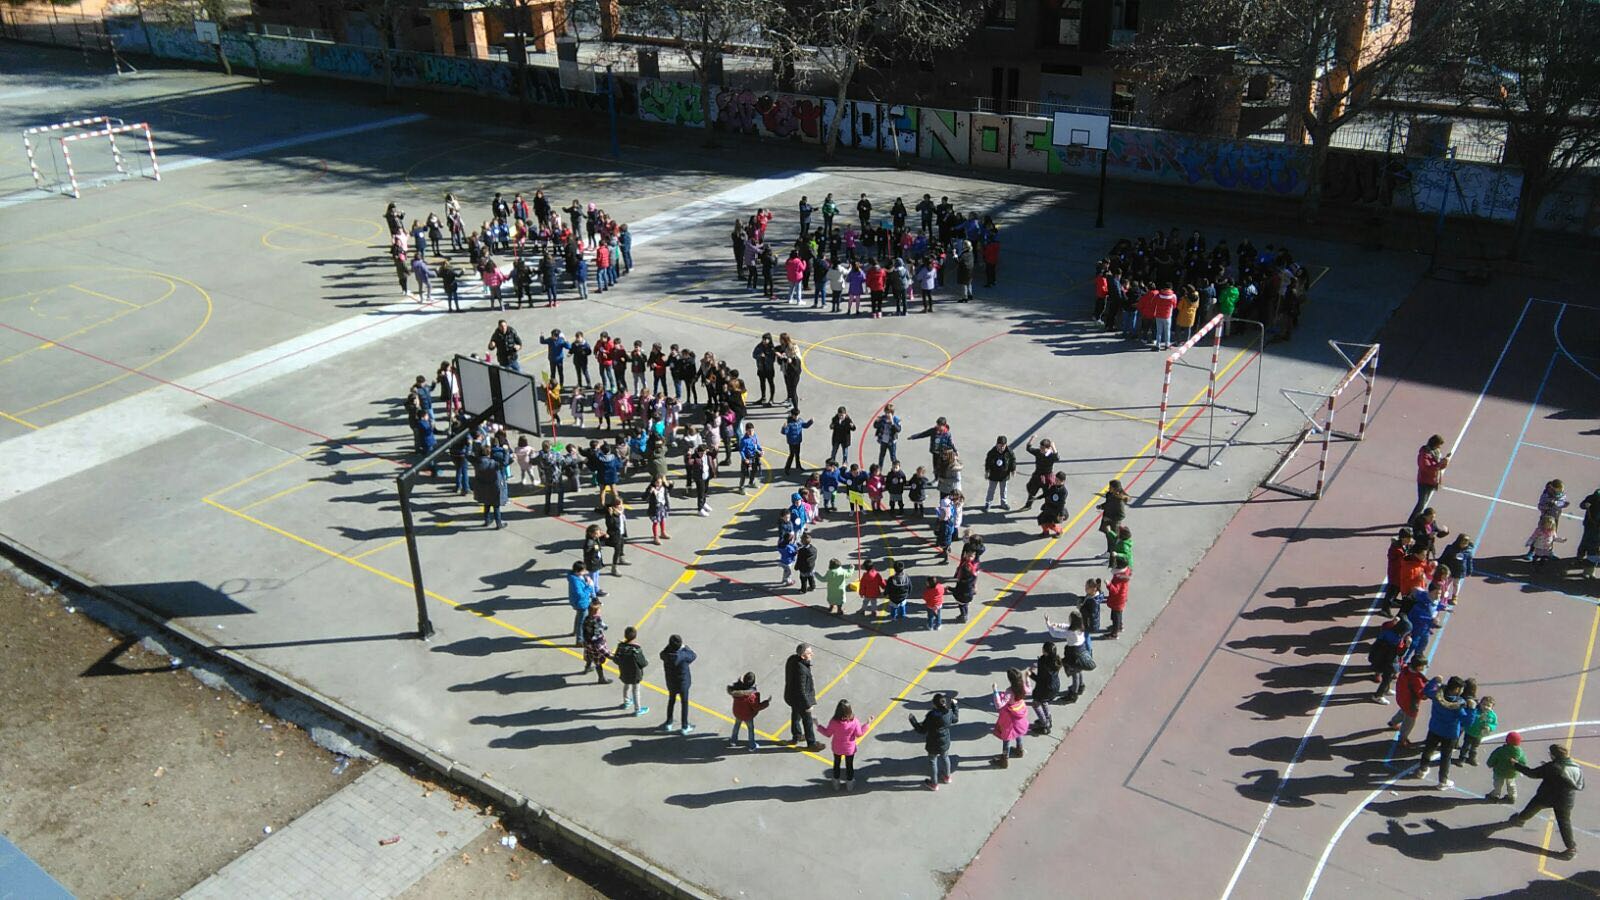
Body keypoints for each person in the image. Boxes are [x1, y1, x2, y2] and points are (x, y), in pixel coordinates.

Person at [1504, 743, 1585, 859]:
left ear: (1553, 755)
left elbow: (1532, 773)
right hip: (1566, 799)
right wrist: (1548, 767)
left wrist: (1516, 765)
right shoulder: (1576, 767)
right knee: (1564, 822)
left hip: (1547, 795)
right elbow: (1577, 783)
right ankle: (1571, 848)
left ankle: (1520, 820)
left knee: (1532, 808)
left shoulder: (1552, 767)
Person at [1416, 675, 1475, 788]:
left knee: (1428, 750)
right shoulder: (1458, 706)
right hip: (1449, 734)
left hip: (1434, 728)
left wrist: (1435, 680)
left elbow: (1427, 690)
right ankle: (1443, 781)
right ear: (1457, 689)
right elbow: (1467, 722)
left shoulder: (1437, 695)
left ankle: (1422, 770)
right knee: (1445, 757)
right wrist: (1472, 709)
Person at [909, 692, 958, 790]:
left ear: (934, 704)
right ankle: (947, 777)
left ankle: (934, 783)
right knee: (945, 757)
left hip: (933, 743)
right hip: (945, 741)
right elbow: (955, 719)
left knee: (932, 761)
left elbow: (922, 730)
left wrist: (913, 721)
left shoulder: (931, 716)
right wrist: (955, 706)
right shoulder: (948, 713)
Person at [818, 700, 871, 790]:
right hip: (849, 748)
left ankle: (836, 783)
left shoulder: (834, 722)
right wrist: (867, 724)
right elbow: (859, 734)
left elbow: (827, 733)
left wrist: (818, 725)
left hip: (837, 747)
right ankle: (849, 784)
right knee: (849, 765)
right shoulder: (854, 721)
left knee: (836, 763)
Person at [784, 644, 825, 751]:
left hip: (792, 696)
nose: (812, 654)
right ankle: (811, 743)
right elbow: (801, 690)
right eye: (809, 653)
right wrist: (808, 705)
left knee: (795, 716)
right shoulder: (801, 670)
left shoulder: (792, 660)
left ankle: (796, 736)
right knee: (807, 721)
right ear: (802, 656)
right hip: (800, 700)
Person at [991, 668, 1031, 768]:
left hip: (1010, 717)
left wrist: (995, 691)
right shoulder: (1022, 688)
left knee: (1007, 737)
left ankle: (1004, 759)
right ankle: (1019, 749)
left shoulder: (1009, 692)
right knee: (1018, 732)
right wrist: (1027, 678)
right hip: (1020, 712)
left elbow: (999, 705)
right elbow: (1029, 689)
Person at [660, 634, 697, 734]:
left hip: (671, 682)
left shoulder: (665, 654)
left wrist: (670, 647)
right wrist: (685, 648)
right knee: (684, 703)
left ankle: (669, 722)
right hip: (682, 683)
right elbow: (693, 655)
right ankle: (684, 726)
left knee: (671, 700)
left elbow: (662, 653)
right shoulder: (683, 655)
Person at [727, 671, 771, 751]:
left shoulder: (737, 690)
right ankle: (752, 745)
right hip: (747, 715)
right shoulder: (752, 696)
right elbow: (756, 707)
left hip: (737, 712)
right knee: (750, 729)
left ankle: (733, 740)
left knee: (737, 725)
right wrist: (766, 702)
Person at [1411, 434, 1451, 521]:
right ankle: (1412, 520)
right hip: (1424, 481)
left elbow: (1439, 467)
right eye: (1439, 445)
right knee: (1421, 503)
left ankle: (1417, 519)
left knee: (1424, 502)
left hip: (1432, 481)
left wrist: (1445, 462)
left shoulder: (1436, 452)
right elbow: (1426, 468)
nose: (1439, 447)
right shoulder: (1424, 454)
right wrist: (1440, 464)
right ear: (1434, 444)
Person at [613, 626, 649, 716]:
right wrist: (646, 662)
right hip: (635, 674)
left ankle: (626, 701)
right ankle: (638, 709)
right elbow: (643, 663)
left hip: (624, 672)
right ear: (635, 637)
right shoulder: (636, 649)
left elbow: (616, 659)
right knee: (636, 690)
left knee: (626, 685)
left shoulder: (620, 646)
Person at [473, 441, 509, 528]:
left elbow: (468, 456)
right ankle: (498, 523)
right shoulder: (493, 463)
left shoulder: (477, 462)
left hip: (482, 486)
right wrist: (506, 452)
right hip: (493, 486)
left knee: (486, 504)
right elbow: (505, 463)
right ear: (489, 453)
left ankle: (487, 521)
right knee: (496, 506)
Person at [1030, 642, 1062, 735]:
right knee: (1044, 701)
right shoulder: (1056, 660)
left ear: (1045, 652)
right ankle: (1048, 718)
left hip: (1046, 688)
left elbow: (1040, 680)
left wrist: (1030, 674)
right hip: (1054, 686)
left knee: (1036, 704)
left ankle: (1044, 725)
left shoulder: (1044, 663)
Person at [1486, 732, 1526, 804]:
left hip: (1499, 771)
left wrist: (1490, 764)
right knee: (1511, 784)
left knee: (1498, 784)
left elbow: (1493, 758)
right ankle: (1512, 797)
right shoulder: (1520, 752)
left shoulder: (1500, 750)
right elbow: (1523, 763)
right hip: (1512, 773)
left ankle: (1495, 795)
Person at [1458, 695, 1498, 766]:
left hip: (1479, 735)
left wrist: (1489, 727)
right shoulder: (1475, 711)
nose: (1485, 707)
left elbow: (1494, 724)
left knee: (1474, 748)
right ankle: (1462, 759)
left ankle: (1471, 758)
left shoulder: (1492, 716)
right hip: (1470, 732)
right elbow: (1469, 717)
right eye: (1484, 704)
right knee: (1465, 746)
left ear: (1492, 707)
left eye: (1488, 706)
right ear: (1480, 704)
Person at [983, 435, 1017, 512]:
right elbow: (987, 462)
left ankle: (1003, 503)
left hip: (1004, 475)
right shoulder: (992, 452)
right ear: (997, 444)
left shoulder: (1009, 452)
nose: (1002, 448)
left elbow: (1013, 461)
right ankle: (988, 502)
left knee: (1004, 490)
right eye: (1000, 445)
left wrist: (1013, 470)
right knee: (991, 490)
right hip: (994, 474)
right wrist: (987, 471)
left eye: (1003, 446)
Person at [581, 601, 611, 684]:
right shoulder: (597, 620)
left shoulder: (587, 618)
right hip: (595, 643)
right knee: (598, 662)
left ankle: (587, 668)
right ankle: (601, 678)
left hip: (587, 642)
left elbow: (584, 629)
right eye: (599, 610)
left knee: (589, 655)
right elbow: (602, 628)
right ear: (596, 612)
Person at [567, 561, 595, 647]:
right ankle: (579, 640)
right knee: (582, 622)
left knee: (579, 617)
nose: (585, 572)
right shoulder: (576, 582)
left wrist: (586, 581)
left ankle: (575, 632)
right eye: (583, 571)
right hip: (581, 603)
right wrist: (589, 586)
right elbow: (581, 594)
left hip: (577, 602)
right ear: (577, 572)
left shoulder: (575, 577)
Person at [1105, 554, 1131, 639]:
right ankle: (1119, 626)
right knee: (1118, 614)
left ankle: (1114, 633)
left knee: (1115, 616)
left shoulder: (1118, 578)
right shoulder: (1125, 573)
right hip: (1121, 598)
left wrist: (1109, 584)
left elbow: (1115, 590)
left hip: (1117, 600)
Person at [781, 410, 813, 476]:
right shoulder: (789, 423)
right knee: (792, 455)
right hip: (792, 442)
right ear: (792, 415)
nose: (796, 417)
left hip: (798, 441)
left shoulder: (800, 421)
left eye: (797, 415)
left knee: (797, 454)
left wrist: (810, 422)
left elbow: (805, 425)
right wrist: (784, 428)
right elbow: (784, 432)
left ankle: (798, 466)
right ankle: (787, 468)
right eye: (795, 415)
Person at [737, 422, 763, 493]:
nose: (751, 432)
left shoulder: (755, 436)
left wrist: (761, 450)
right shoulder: (743, 440)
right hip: (747, 458)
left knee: (754, 470)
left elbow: (757, 445)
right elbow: (741, 451)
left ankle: (751, 482)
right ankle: (741, 487)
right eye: (750, 431)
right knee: (744, 473)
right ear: (746, 431)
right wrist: (744, 459)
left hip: (754, 457)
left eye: (752, 430)